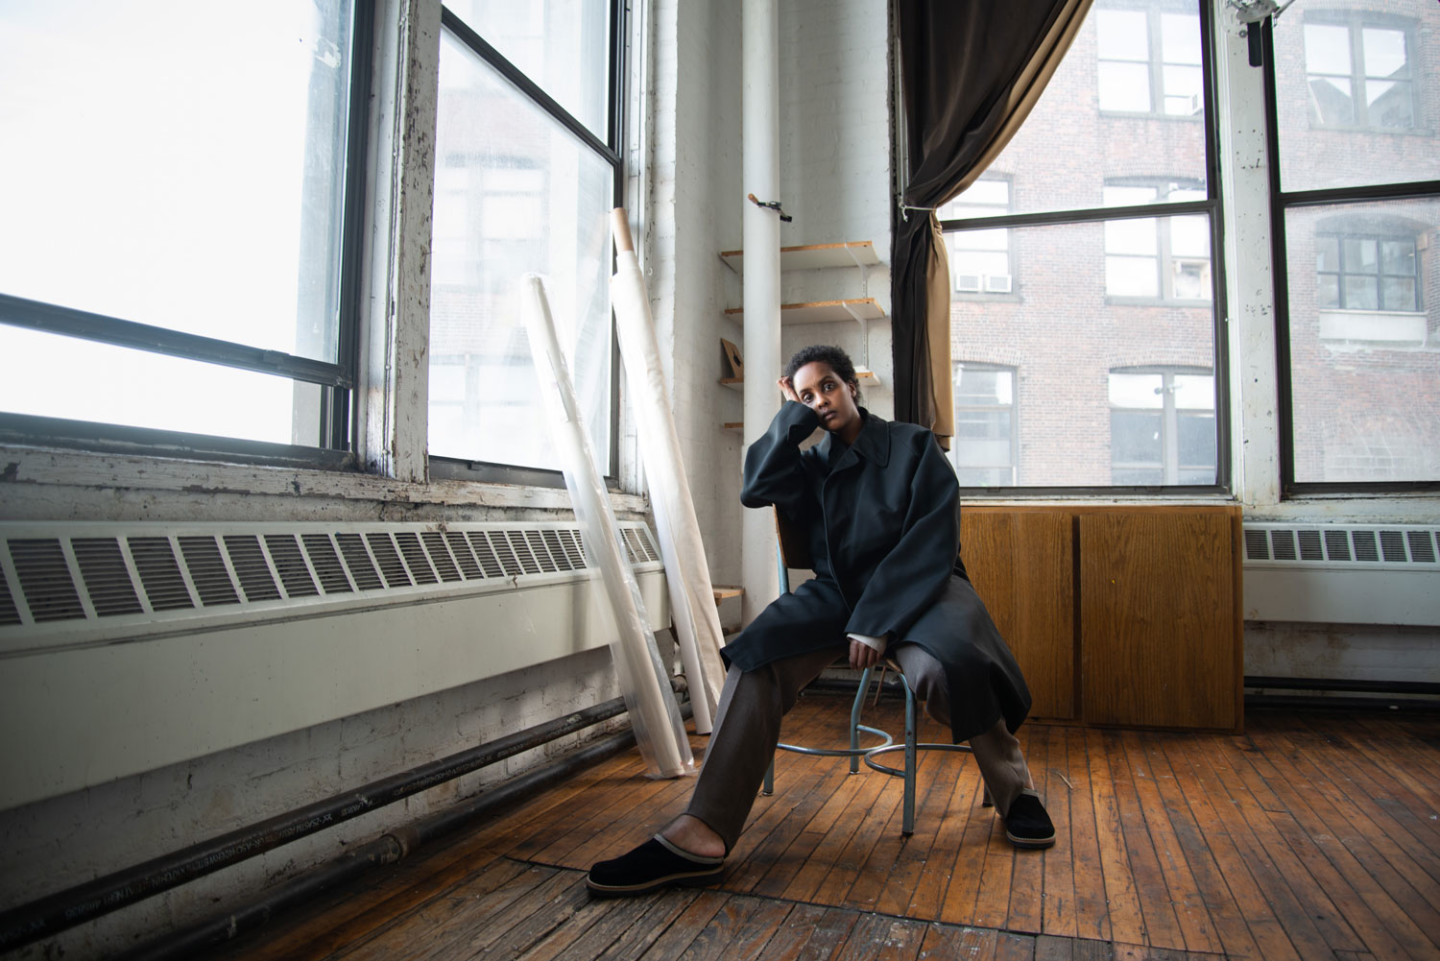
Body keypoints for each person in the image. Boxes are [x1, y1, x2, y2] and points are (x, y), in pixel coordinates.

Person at [586, 344, 1052, 896]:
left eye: (827, 386)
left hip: (926, 587)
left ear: (852, 387)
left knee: (944, 669)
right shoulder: (810, 463)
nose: (820, 400)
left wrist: (877, 621)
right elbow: (754, 488)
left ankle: (1015, 790)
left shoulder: (914, 444)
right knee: (756, 655)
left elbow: (933, 537)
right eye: (806, 394)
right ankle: (704, 829)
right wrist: (791, 418)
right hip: (837, 594)